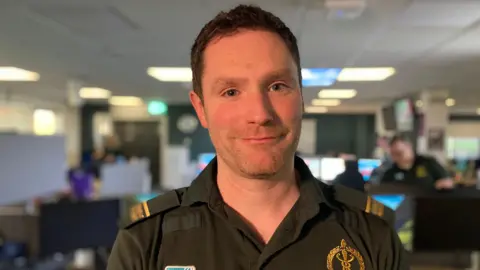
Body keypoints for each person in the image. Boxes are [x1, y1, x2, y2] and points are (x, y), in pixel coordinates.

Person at [107, 5, 407, 270]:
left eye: (277, 86)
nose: (259, 114)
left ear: (301, 98)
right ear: (201, 109)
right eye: (231, 92)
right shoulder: (146, 241)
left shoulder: (371, 234)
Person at [380, 134, 454, 190]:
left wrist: (436, 186)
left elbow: (447, 182)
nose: (396, 157)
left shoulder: (428, 163)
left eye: (399, 153)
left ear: (409, 147)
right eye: (393, 154)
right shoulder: (390, 173)